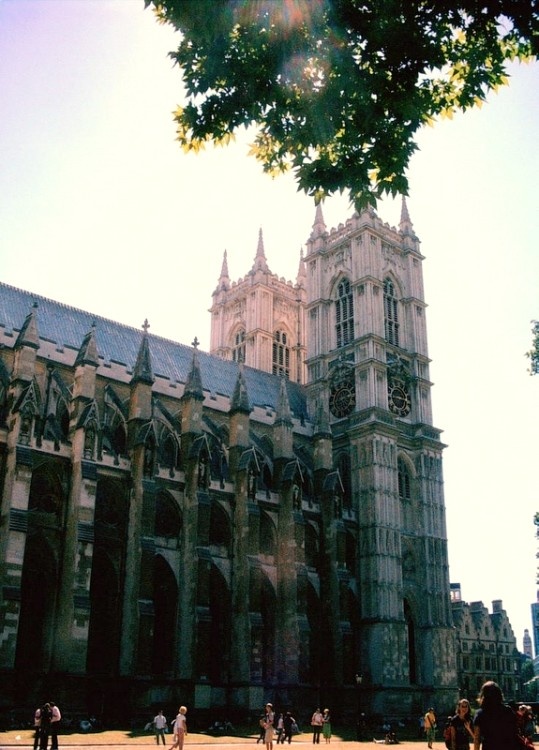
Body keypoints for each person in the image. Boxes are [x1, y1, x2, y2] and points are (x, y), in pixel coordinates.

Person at [473, 680, 519, 750]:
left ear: (483, 695)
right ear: (499, 694)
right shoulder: (508, 711)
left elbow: (477, 739)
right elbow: (514, 732)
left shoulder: (480, 714)